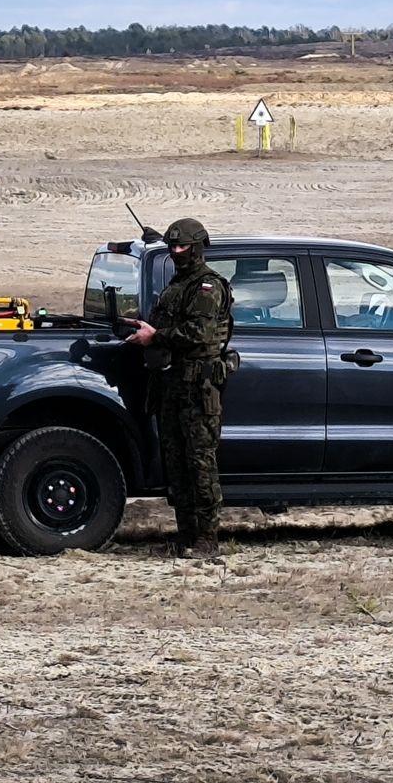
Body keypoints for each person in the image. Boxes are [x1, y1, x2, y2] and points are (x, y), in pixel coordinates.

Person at [128, 217, 233, 560]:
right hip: (172, 387)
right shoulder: (177, 285)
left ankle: (207, 539)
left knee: (200, 465)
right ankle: (186, 536)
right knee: (177, 466)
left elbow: (198, 335)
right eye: (172, 246)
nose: (175, 252)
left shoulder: (208, 287)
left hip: (198, 388)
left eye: (182, 246)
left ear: (198, 247)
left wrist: (156, 336)